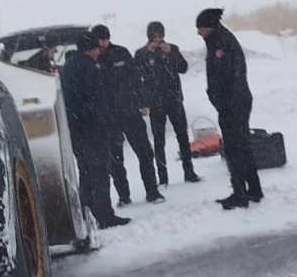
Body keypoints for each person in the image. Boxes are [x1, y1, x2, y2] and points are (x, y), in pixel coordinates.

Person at [58, 32, 129, 228]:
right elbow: (98, 102)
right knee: (99, 172)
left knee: (86, 171)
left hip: (75, 128)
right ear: (91, 49)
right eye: (97, 48)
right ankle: (105, 215)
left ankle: (86, 211)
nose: (99, 52)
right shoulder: (90, 67)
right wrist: (109, 125)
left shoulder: (68, 66)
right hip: (92, 128)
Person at [196, 7, 261, 210]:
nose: (199, 32)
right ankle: (254, 190)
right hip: (233, 102)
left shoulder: (222, 43)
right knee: (242, 146)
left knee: (234, 149)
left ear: (210, 26)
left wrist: (223, 102)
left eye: (201, 28)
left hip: (234, 104)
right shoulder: (217, 40)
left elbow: (230, 77)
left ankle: (240, 194)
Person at [91, 24, 163, 205]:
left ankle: (152, 191)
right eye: (99, 40)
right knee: (115, 159)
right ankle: (124, 196)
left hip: (130, 110)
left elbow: (136, 78)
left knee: (145, 153)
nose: (102, 43)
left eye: (105, 39)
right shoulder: (93, 59)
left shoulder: (121, 53)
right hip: (109, 116)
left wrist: (143, 102)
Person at [134, 20, 202, 185]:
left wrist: (172, 52)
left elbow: (183, 68)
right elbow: (137, 74)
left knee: (182, 136)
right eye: (154, 36)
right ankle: (163, 177)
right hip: (156, 102)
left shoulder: (172, 49)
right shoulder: (141, 53)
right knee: (159, 140)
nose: (157, 40)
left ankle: (189, 171)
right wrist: (146, 55)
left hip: (174, 99)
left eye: (160, 36)